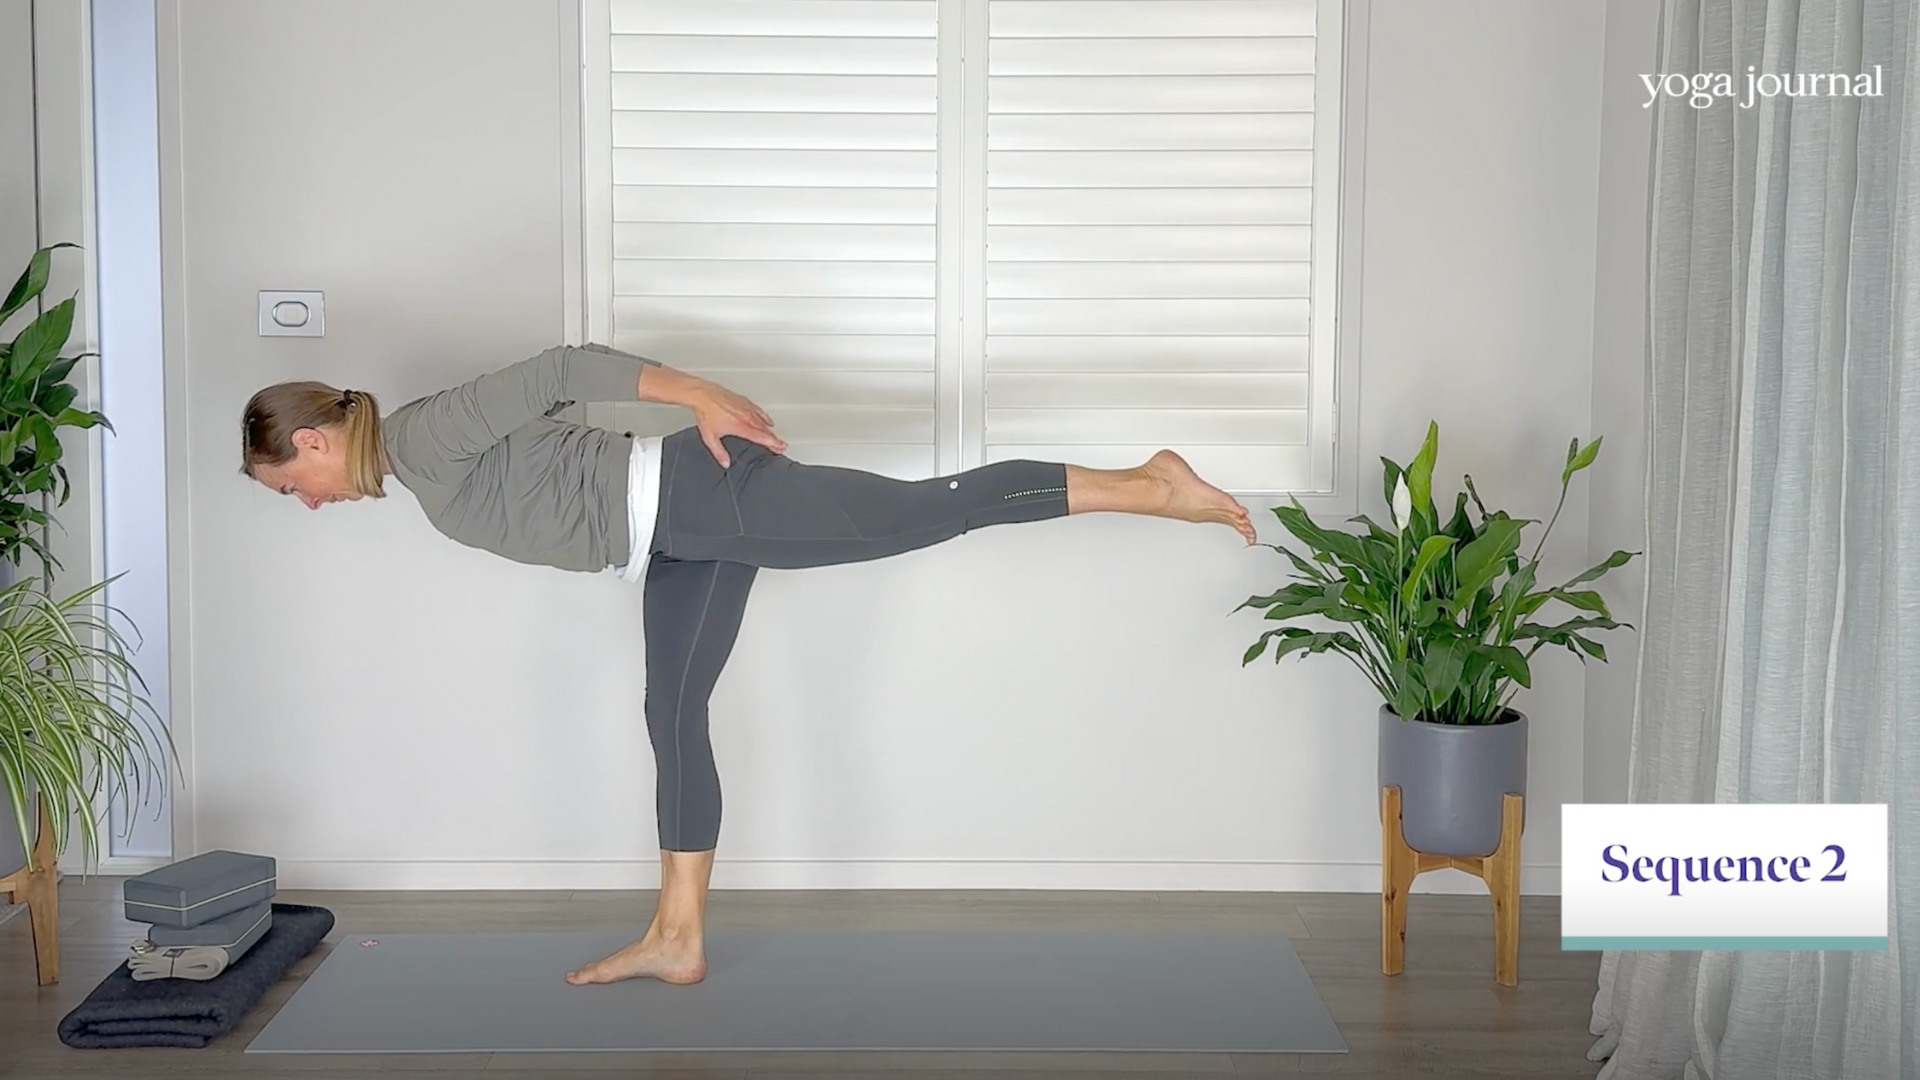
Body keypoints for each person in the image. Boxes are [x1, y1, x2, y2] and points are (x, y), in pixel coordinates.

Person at [239, 343, 1256, 987]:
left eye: (295, 486)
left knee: (930, 507)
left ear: (318, 440)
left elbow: (564, 371)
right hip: (672, 543)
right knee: (671, 714)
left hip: (702, 494)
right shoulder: (419, 472)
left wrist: (703, 397)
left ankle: (1151, 486)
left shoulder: (425, 434)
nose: (310, 504)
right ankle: (677, 937)